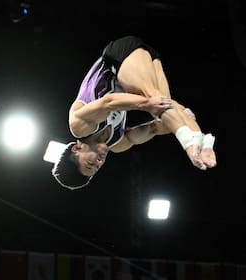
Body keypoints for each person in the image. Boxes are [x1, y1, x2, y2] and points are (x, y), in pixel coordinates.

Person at [52, 36, 217, 189]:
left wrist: (147, 104)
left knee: (154, 100)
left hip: (118, 57)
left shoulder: (80, 126)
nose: (98, 163)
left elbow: (108, 103)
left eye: (89, 164)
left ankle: (190, 145)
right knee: (165, 104)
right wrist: (182, 117)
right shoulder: (118, 144)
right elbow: (155, 128)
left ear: (76, 149)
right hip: (143, 68)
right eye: (96, 168)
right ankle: (203, 145)